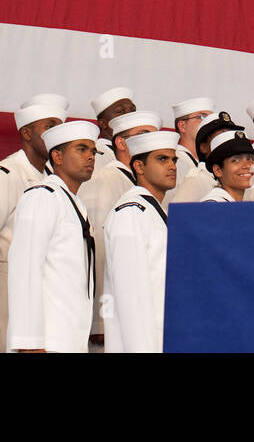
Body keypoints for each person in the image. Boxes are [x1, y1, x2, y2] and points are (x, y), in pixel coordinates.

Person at [0, 96, 66, 352]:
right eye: (49, 126)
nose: (55, 134)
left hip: (42, 289)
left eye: (59, 127)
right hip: (4, 287)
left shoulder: (52, 178)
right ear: (26, 132)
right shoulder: (6, 174)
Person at [7, 120, 99, 353]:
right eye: (81, 149)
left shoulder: (73, 202)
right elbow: (25, 268)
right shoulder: (42, 196)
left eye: (93, 151)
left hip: (69, 339)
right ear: (57, 157)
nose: (90, 157)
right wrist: (29, 342)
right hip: (46, 341)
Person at [79, 110, 161, 348]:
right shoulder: (103, 179)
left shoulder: (141, 182)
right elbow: (100, 250)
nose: (151, 141)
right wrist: (100, 319)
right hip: (111, 312)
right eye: (143, 135)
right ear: (121, 143)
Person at [103, 130, 177, 352]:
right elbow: (130, 297)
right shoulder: (131, 213)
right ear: (139, 167)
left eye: (174, 159)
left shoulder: (155, 211)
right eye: (162, 159)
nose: (172, 166)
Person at [199, 126, 254, 202]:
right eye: (236, 160)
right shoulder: (212, 206)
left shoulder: (241, 202)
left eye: (249, 159)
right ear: (218, 170)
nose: (247, 165)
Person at [169, 96, 213, 189]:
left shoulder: (208, 162)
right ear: (182, 126)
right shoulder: (176, 161)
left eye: (212, 118)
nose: (209, 122)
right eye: (202, 117)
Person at [90, 87, 136, 169]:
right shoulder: (99, 153)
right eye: (120, 111)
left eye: (133, 111)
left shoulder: (133, 149)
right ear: (103, 123)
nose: (130, 115)